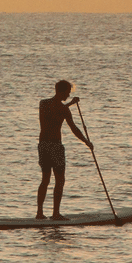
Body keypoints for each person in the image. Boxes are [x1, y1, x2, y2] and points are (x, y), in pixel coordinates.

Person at [36, 79, 92, 220]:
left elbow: (56, 111)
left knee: (45, 179)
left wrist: (70, 105)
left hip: (43, 146)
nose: (68, 95)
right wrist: (86, 142)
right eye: (67, 92)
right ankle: (55, 214)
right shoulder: (63, 110)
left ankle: (39, 213)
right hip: (55, 146)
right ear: (60, 91)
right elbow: (73, 128)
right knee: (59, 180)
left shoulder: (43, 104)